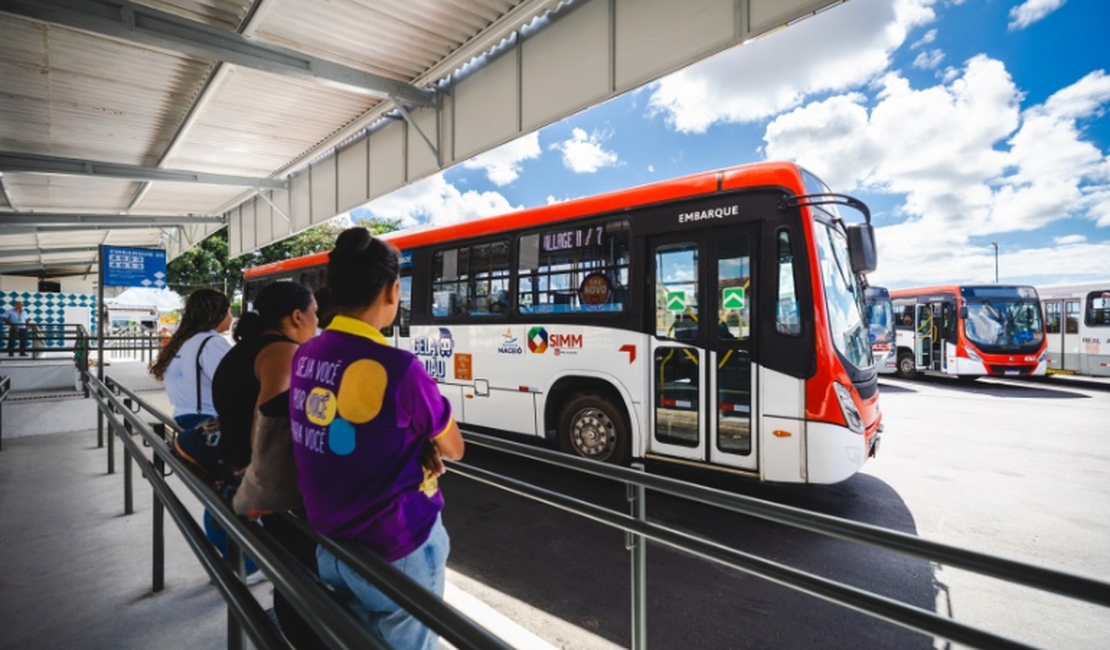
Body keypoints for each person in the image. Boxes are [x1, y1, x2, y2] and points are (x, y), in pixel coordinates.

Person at [291, 228, 464, 650]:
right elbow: (455, 448)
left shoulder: (306, 354)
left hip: (331, 548)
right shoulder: (399, 367)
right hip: (396, 552)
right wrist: (425, 443)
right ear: (392, 290)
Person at [211, 282, 324, 648]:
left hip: (242, 471)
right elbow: (268, 420)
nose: (317, 321)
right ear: (296, 316)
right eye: (315, 314)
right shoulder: (283, 352)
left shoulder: (241, 351)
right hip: (272, 487)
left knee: (290, 572)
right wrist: (260, 478)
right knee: (301, 575)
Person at [148, 289, 264, 581]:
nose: (230, 317)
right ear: (214, 313)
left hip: (188, 422)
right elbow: (234, 384)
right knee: (228, 494)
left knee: (217, 493)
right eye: (226, 310)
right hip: (210, 423)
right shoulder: (212, 343)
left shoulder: (181, 342)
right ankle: (243, 566)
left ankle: (232, 561)